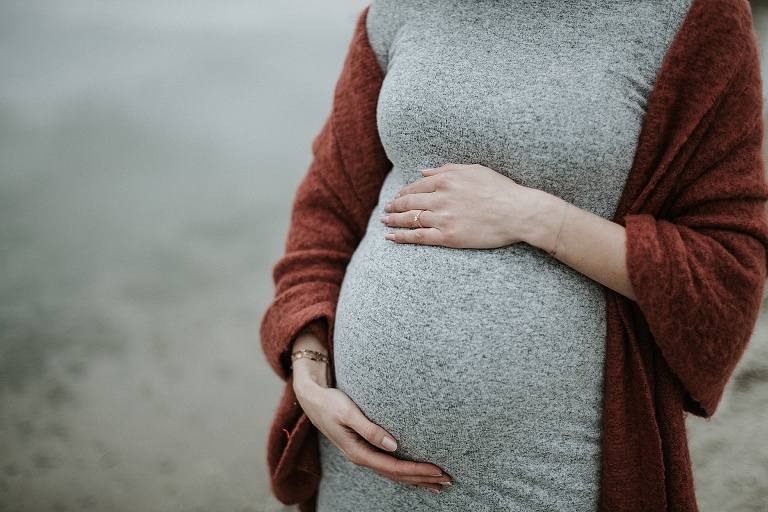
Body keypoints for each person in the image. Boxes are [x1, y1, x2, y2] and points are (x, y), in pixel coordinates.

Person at [261, 0, 768, 510]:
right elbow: (328, 208)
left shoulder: (688, 15)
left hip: (546, 470)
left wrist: (538, 218)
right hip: (355, 469)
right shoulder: (400, 9)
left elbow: (728, 265)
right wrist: (309, 365)